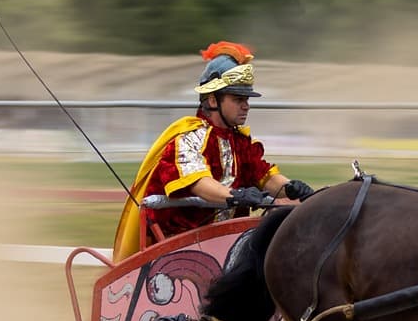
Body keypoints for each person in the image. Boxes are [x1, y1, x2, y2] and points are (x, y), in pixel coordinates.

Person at [111, 41, 314, 261]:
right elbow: (199, 183)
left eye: (246, 99)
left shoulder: (240, 142)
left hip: (226, 245)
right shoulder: (188, 138)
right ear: (212, 100)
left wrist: (292, 188)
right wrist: (236, 195)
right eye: (238, 99)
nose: (246, 105)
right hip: (179, 248)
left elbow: (264, 176)